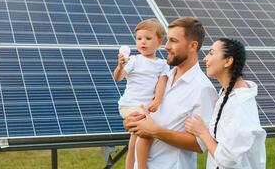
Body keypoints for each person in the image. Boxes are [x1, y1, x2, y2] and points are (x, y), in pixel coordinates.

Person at [126, 17, 218, 169]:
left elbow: (200, 144)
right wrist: (132, 122)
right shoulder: (162, 77)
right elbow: (145, 120)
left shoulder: (203, 89)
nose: (166, 46)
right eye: (167, 40)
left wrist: (154, 131)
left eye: (173, 41)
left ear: (192, 46)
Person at [185, 38, 266, 169]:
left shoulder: (240, 104)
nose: (205, 58)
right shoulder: (226, 95)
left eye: (211, 53)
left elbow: (228, 159)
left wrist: (202, 132)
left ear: (228, 61)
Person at [113, 18, 170, 169]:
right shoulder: (133, 60)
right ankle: (142, 166)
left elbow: (162, 83)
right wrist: (120, 66)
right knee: (147, 133)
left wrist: (157, 101)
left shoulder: (162, 64)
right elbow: (118, 78)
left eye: (148, 38)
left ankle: (130, 166)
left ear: (159, 41)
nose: (142, 42)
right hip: (129, 105)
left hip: (143, 106)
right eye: (139, 39)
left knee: (134, 141)